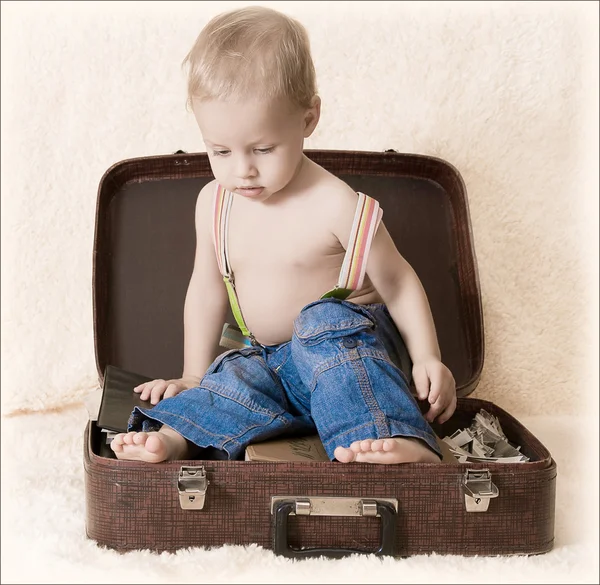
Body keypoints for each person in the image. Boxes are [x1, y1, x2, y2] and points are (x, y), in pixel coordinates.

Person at [110, 5, 456, 465]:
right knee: (236, 373)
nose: (242, 169)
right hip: (278, 364)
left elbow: (399, 281)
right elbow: (207, 289)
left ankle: (395, 435)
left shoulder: (337, 204)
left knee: (321, 322)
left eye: (263, 148)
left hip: (355, 357)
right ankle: (180, 435)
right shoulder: (214, 203)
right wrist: (193, 375)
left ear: (309, 118)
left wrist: (428, 357)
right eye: (220, 150)